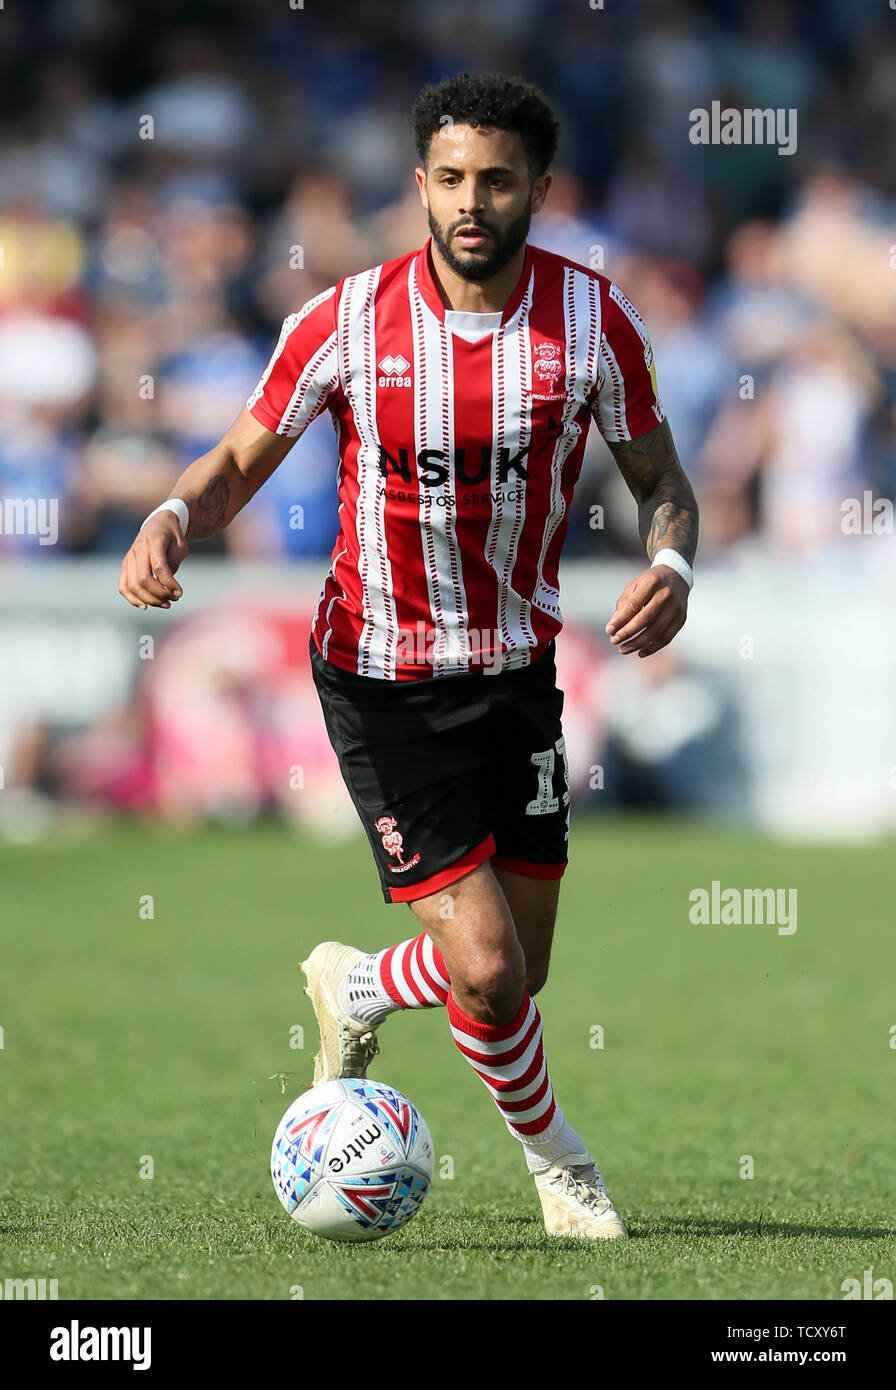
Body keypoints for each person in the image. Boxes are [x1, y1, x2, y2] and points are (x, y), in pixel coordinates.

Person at [118, 72, 699, 1240]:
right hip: (379, 678)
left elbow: (662, 482)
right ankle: (562, 1168)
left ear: (538, 186)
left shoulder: (592, 322)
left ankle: (362, 981)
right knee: (484, 969)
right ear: (418, 187)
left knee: (517, 980)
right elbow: (236, 458)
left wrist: (673, 569)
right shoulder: (343, 321)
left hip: (517, 675)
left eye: (494, 179)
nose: (469, 202)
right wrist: (175, 513)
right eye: (448, 179)